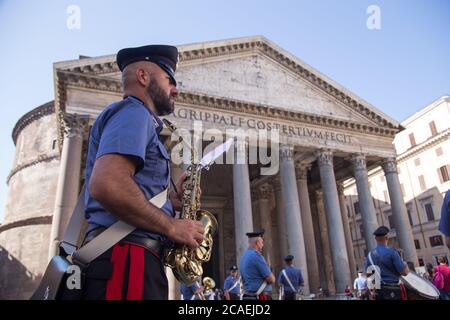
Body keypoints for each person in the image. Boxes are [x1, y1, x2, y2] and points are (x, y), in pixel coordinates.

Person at [69, 45, 205, 300]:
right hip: (127, 261)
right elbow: (109, 184)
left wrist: (169, 201)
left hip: (129, 257)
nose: (176, 89)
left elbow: (124, 186)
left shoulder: (136, 118)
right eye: (169, 80)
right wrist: (172, 226)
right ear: (143, 77)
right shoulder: (134, 113)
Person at [364, 226, 409, 300]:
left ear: (375, 239)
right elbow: (404, 272)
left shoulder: (370, 255)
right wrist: (405, 265)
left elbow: (370, 279)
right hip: (394, 291)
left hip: (379, 293)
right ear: (386, 237)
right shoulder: (392, 252)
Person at [239, 230, 275, 300]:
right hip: (260, 297)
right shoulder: (257, 256)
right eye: (262, 242)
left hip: (248, 296)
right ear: (257, 243)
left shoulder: (243, 256)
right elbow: (271, 279)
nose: (262, 245)